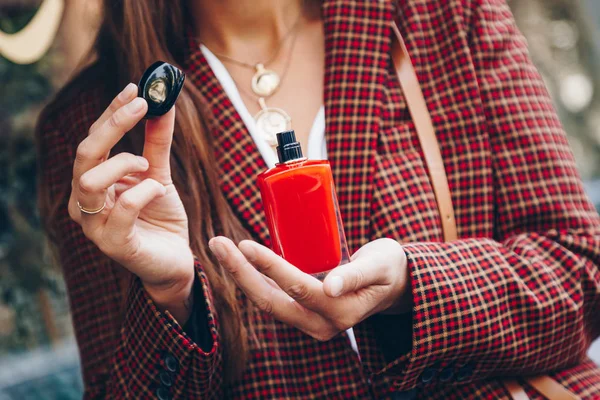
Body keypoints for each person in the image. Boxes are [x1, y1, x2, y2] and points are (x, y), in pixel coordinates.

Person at [36, 0, 600, 398]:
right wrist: (168, 295)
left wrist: (413, 285)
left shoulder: (441, 16)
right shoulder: (94, 127)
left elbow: (581, 275)